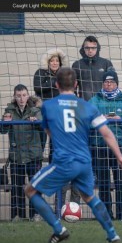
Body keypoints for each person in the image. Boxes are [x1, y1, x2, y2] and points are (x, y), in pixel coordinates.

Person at [24, 67, 122, 243]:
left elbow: (49, 131)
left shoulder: (48, 106)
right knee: (89, 197)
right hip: (84, 162)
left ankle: (59, 229)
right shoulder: (88, 107)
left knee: (30, 190)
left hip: (64, 162)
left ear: (56, 84)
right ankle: (112, 234)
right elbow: (107, 133)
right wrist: (120, 156)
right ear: (76, 84)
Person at [33, 48, 81, 207]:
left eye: (57, 61)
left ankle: (62, 204)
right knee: (40, 150)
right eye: (52, 61)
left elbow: (70, 90)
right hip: (44, 115)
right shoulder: (40, 73)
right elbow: (38, 88)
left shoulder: (66, 75)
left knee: (58, 152)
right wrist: (55, 85)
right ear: (48, 62)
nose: (54, 63)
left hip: (59, 120)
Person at [89, 70, 122, 221]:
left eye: (112, 82)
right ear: (102, 84)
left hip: (120, 147)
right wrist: (99, 120)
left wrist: (120, 120)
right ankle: (106, 215)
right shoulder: (94, 101)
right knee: (103, 184)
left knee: (121, 182)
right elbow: (86, 121)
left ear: (117, 84)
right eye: (106, 82)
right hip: (99, 148)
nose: (109, 85)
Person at [1, 84, 43, 222]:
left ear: (28, 95)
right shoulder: (9, 110)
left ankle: (35, 215)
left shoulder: (35, 109)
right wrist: (5, 122)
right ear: (14, 97)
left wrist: (36, 121)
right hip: (16, 156)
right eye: (18, 96)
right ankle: (17, 215)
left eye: (24, 95)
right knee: (16, 188)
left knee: (34, 186)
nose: (21, 98)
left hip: (33, 156)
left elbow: (42, 125)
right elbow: (3, 130)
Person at [72, 35, 114, 101]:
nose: (90, 50)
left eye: (93, 48)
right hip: (84, 104)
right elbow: (72, 87)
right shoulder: (77, 65)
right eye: (87, 48)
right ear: (83, 48)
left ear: (97, 48)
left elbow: (113, 84)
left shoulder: (106, 63)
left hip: (102, 104)